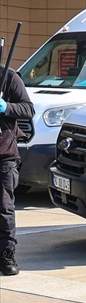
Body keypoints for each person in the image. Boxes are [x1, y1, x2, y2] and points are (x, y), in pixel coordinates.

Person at [0, 65, 33, 276]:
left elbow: (28, 109)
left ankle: (6, 255)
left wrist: (6, 107)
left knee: (4, 208)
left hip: (4, 156)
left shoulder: (9, 77)